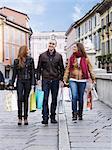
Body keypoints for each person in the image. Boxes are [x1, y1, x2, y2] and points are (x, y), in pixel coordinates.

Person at [63, 42, 95, 120]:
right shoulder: (71, 58)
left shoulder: (85, 58)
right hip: (73, 79)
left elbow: (90, 69)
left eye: (74, 47)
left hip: (82, 80)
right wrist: (64, 78)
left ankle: (80, 113)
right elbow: (67, 69)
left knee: (80, 97)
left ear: (79, 48)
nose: (73, 49)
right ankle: (74, 114)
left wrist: (93, 78)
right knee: (74, 96)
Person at [37, 39, 64, 125]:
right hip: (45, 80)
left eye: (53, 44)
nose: (51, 45)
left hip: (55, 80)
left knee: (54, 99)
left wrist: (61, 79)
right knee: (45, 99)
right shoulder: (42, 56)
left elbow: (62, 69)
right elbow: (38, 68)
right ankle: (45, 117)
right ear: (48, 45)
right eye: (50, 43)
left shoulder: (59, 56)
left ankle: (53, 116)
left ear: (55, 45)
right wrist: (38, 79)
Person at [10, 45, 35, 125]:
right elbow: (14, 73)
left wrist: (33, 84)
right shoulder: (17, 61)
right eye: (27, 50)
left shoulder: (30, 60)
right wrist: (11, 83)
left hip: (28, 81)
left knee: (26, 99)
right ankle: (19, 117)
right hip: (20, 81)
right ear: (24, 50)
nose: (28, 51)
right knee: (20, 98)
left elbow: (32, 72)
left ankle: (26, 117)